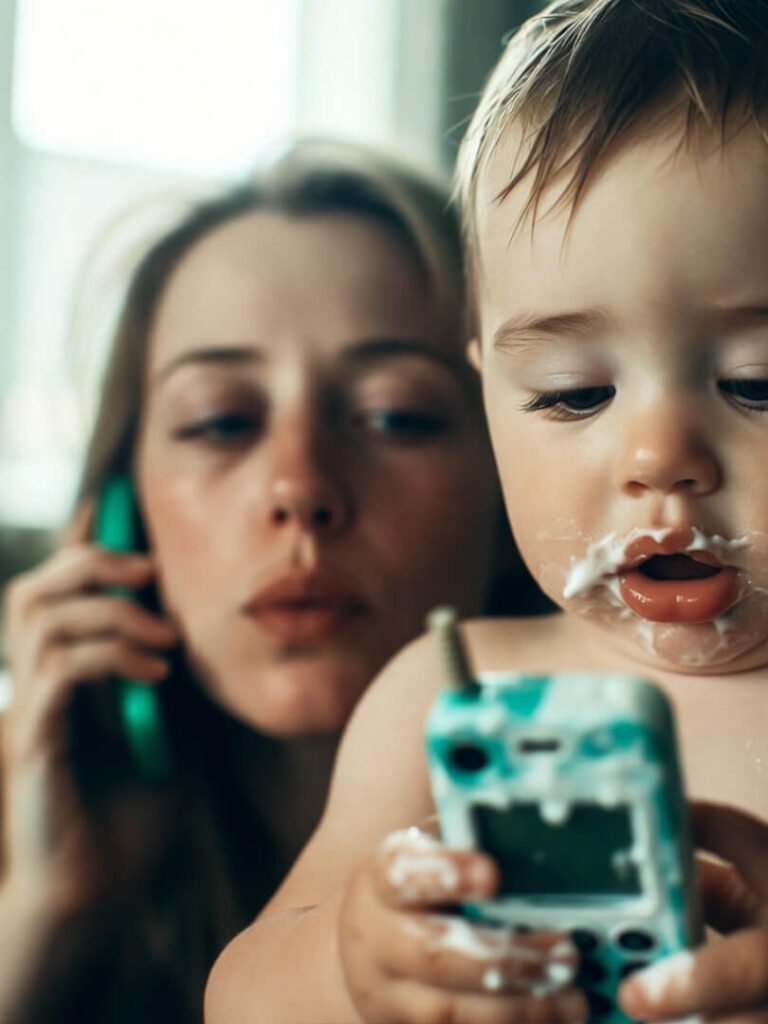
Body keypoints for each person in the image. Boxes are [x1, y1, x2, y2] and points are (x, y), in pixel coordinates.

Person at [206, 2, 768, 1022]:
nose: (657, 458)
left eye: (763, 382)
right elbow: (238, 995)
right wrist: (353, 964)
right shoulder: (451, 693)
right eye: (573, 394)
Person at [0, 139, 544, 1023]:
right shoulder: (36, 833)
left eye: (395, 415)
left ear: (513, 486)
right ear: (122, 516)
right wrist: (41, 915)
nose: (299, 486)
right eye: (220, 421)